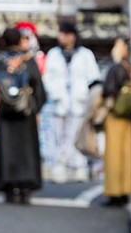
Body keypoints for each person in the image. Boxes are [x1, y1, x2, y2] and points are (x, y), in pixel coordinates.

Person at [42, 17, 100, 182]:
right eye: (61, 34)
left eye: (66, 34)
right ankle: (60, 166)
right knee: (56, 135)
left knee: (73, 136)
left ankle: (73, 166)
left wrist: (87, 97)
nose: (63, 37)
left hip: (78, 102)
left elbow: (93, 78)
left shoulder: (85, 54)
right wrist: (55, 94)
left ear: (73, 36)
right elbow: (47, 78)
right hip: (58, 102)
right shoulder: (53, 54)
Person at [0, 25, 45, 204]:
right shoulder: (28, 60)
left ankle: (8, 186)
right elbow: (37, 84)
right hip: (25, 110)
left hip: (5, 109)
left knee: (6, 148)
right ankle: (26, 187)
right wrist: (37, 106)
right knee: (26, 150)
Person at [101, 35, 131, 205]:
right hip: (128, 118)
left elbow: (109, 93)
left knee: (113, 156)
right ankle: (125, 191)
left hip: (114, 117)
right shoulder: (130, 68)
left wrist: (99, 116)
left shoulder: (115, 68)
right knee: (127, 155)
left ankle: (114, 193)